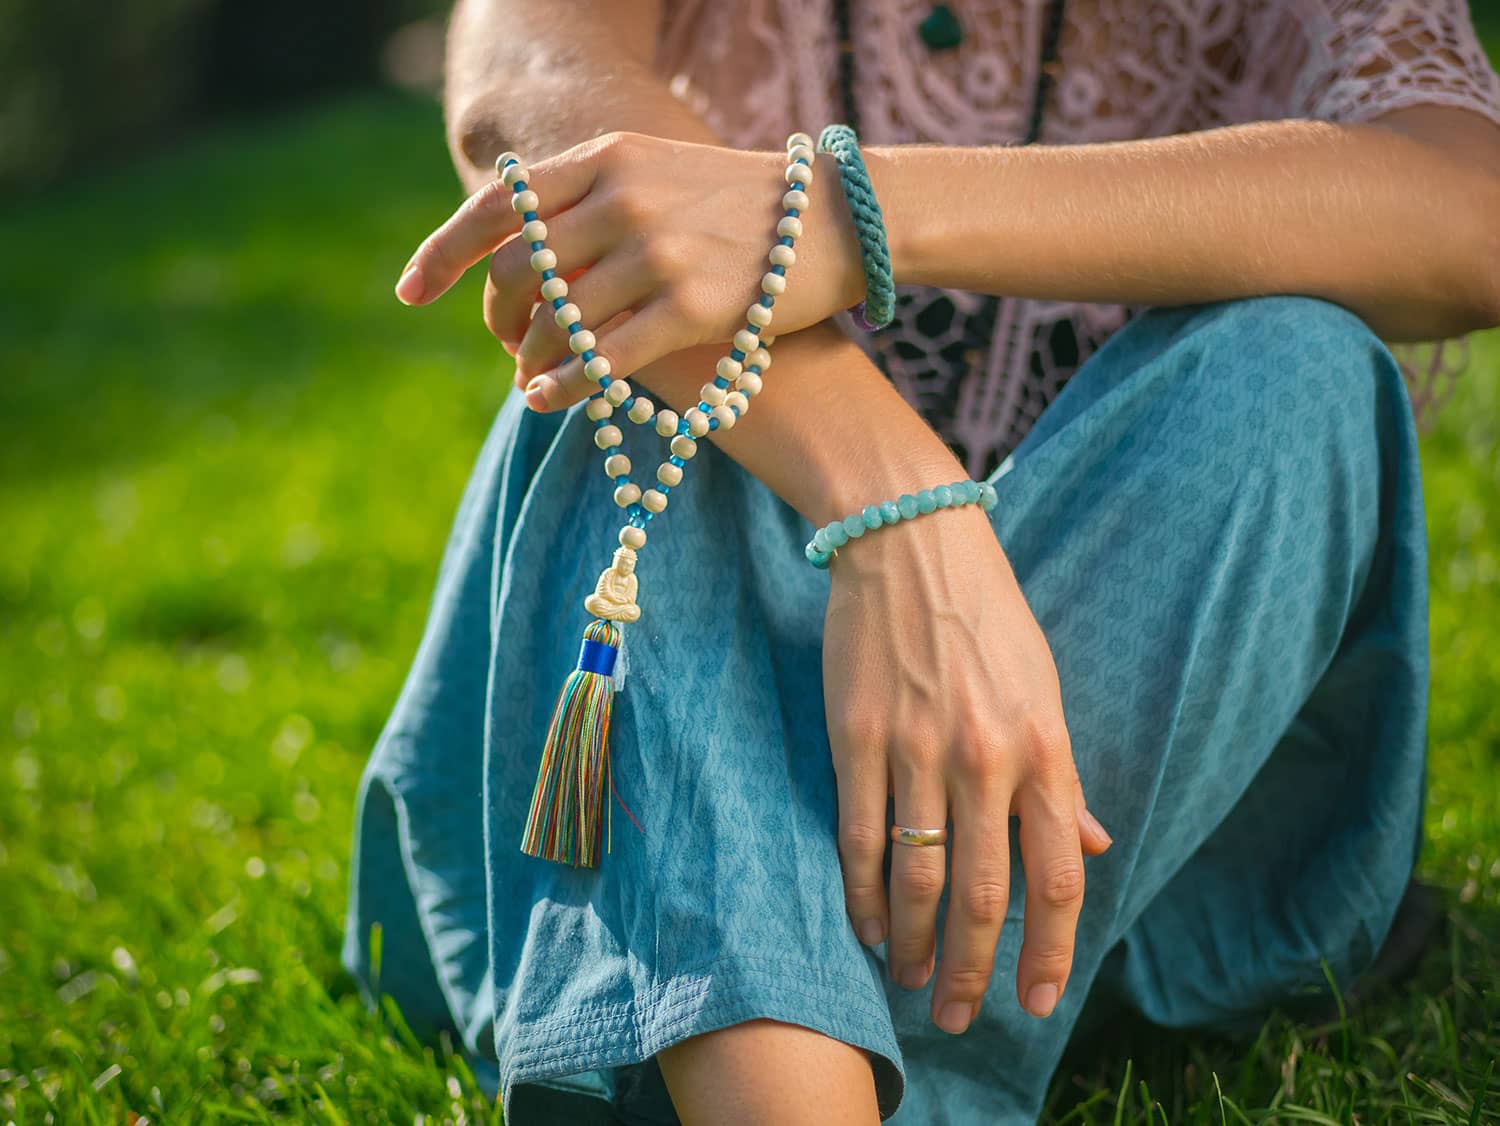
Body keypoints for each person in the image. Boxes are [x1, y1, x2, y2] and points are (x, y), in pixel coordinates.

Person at [344, 2, 1500, 1122]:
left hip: (1141, 823)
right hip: (688, 739)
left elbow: (1468, 204)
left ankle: (729, 1027)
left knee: (1298, 368)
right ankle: (771, 1069)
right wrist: (892, 499)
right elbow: (535, 80)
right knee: (627, 358)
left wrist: (844, 218)